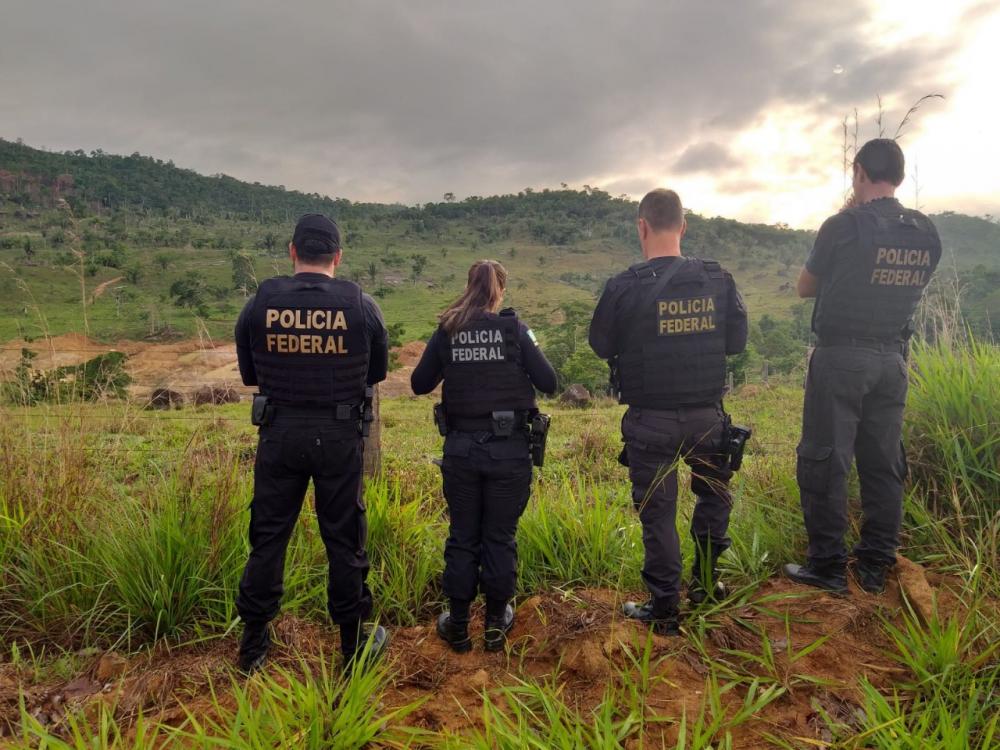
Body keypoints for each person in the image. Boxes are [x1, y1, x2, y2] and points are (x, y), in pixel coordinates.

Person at [233, 213, 390, 672]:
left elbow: (250, 374)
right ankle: (352, 645)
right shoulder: (361, 304)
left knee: (268, 537)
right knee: (344, 540)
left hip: (279, 433)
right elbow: (376, 373)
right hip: (339, 436)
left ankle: (253, 647)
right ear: (338, 257)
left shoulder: (260, 302)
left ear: (292, 251)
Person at [784, 139, 941, 595]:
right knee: (883, 463)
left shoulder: (842, 226)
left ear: (857, 172)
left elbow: (804, 287)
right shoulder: (926, 232)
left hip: (841, 359)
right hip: (893, 359)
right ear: (900, 177)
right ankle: (874, 566)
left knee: (825, 460)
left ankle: (828, 567)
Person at [589, 189, 748, 635]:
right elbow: (736, 343)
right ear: (683, 226)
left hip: (650, 422)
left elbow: (600, 345)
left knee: (657, 514)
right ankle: (705, 585)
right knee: (713, 498)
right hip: (706, 418)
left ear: (642, 226)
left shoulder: (623, 286)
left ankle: (664, 609)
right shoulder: (719, 279)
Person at [411, 260, 557, 653]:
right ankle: (495, 624)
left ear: (468, 286)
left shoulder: (448, 329)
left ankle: (458, 625)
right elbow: (550, 382)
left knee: (462, 535)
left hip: (460, 450)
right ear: (500, 291)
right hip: (508, 453)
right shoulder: (516, 330)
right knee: (499, 535)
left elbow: (419, 383)